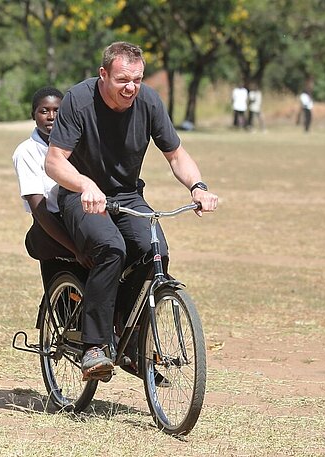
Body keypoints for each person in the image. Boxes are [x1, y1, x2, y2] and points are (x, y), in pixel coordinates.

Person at [45, 42, 219, 382]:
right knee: (112, 248)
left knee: (155, 251)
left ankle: (132, 341)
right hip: (81, 196)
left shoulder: (149, 101)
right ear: (103, 75)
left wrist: (198, 186)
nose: (131, 88)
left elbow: (176, 155)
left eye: (137, 80)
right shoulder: (79, 101)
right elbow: (54, 163)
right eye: (123, 79)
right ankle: (94, 345)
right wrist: (85, 185)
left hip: (127, 195)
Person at [12, 87, 91, 293]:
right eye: (44, 111)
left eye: (57, 110)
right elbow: (38, 208)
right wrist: (75, 250)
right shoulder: (27, 152)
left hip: (80, 220)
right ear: (33, 115)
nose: (51, 116)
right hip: (51, 227)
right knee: (64, 298)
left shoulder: (79, 144)